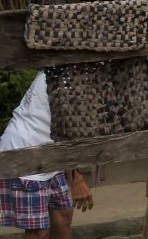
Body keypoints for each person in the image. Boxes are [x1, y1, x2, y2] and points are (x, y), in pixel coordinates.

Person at [0, 72, 93, 239]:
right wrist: (76, 179)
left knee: (63, 216)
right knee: (38, 231)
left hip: (51, 155)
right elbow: (67, 131)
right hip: (26, 153)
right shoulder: (66, 76)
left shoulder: (84, 73)